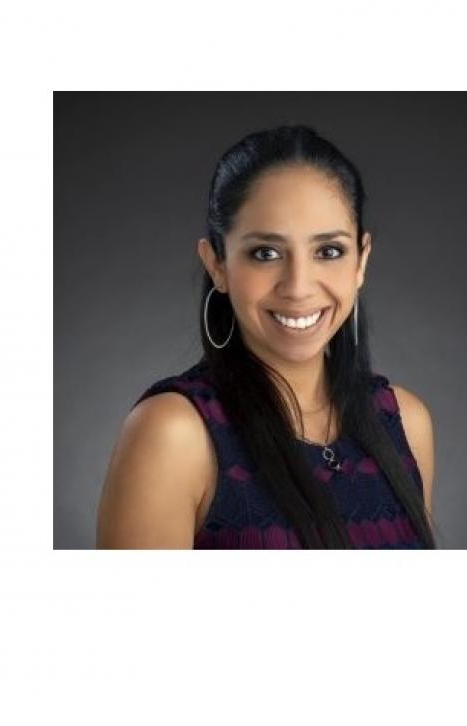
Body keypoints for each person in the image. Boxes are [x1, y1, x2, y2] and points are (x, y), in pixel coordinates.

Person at [96, 125, 438, 549]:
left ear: (361, 262)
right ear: (217, 264)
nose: (298, 287)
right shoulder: (173, 433)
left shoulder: (405, 422)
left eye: (328, 251)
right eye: (266, 253)